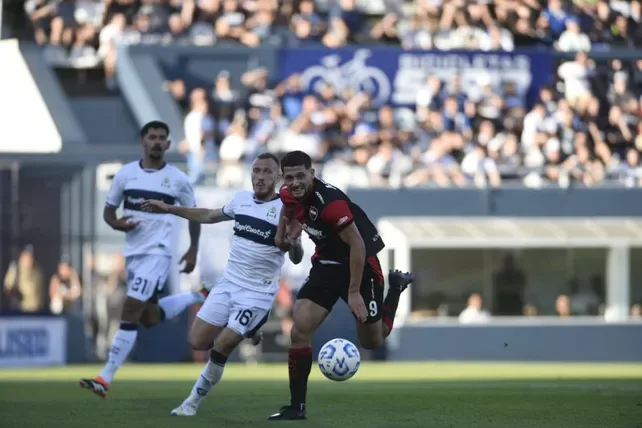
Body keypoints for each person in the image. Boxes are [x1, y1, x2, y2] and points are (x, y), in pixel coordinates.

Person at [140, 152, 304, 416]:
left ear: (278, 178)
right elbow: (208, 215)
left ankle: (190, 403)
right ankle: (249, 329)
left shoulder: (287, 211)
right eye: (256, 171)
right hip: (228, 285)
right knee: (197, 341)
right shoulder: (240, 200)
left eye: (267, 172)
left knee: (222, 346)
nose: (260, 177)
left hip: (257, 294)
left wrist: (295, 245)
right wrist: (169, 208)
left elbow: (296, 258)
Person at [268, 150, 414, 421]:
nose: (296, 182)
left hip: (360, 266)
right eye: (290, 178)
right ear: (283, 179)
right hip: (326, 266)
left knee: (372, 340)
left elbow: (357, 245)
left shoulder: (331, 204)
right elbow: (289, 210)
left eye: (301, 176)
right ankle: (297, 407)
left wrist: (354, 292)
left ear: (313, 173)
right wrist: (282, 234)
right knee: (299, 331)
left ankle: (395, 288)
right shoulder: (288, 193)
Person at [80, 120, 204, 397]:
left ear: (168, 145)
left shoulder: (178, 179)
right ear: (142, 141)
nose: (157, 141)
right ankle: (196, 297)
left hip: (158, 254)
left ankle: (105, 377)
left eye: (162, 138)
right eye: (152, 137)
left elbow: (194, 214)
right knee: (147, 317)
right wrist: (117, 225)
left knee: (130, 307)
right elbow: (109, 212)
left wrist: (193, 248)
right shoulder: (125, 175)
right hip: (134, 255)